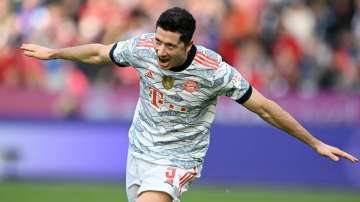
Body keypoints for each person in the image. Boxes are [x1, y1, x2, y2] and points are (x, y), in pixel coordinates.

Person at [21, 7, 358, 202]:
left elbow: (265, 107)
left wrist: (314, 142)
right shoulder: (142, 49)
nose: (161, 51)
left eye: (170, 45)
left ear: (188, 44)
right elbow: (98, 52)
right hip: (138, 149)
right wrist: (54, 53)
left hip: (179, 158)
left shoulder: (215, 72)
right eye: (158, 41)